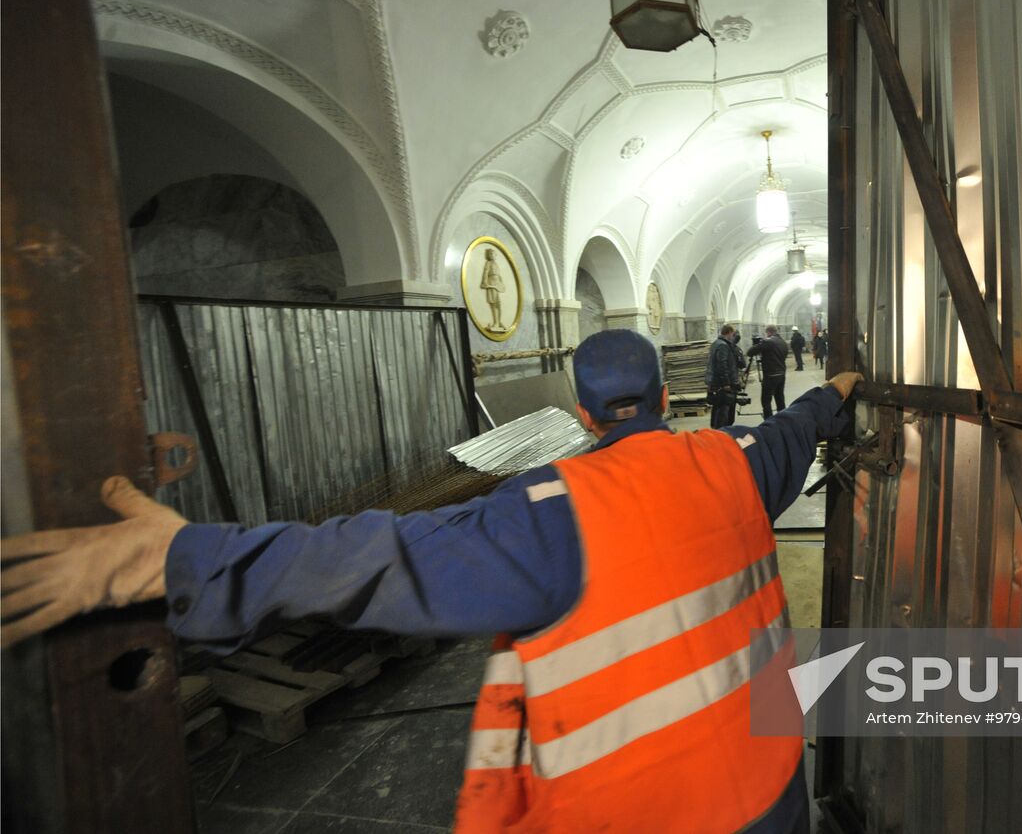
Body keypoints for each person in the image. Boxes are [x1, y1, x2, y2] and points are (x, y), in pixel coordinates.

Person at [0, 328, 863, 834]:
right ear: (666, 404)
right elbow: (795, 427)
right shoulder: (735, 462)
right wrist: (836, 390)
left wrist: (185, 558)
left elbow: (377, 557)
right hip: (773, 787)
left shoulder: (553, 511)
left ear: (583, 413)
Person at [746, 325, 790, 419]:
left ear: (769, 332)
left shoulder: (768, 342)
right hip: (781, 373)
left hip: (770, 374)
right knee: (780, 397)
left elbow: (750, 352)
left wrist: (759, 344)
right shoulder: (783, 342)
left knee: (766, 399)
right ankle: (783, 418)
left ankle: (769, 420)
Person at [704, 323, 742, 428]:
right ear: (729, 333)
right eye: (733, 334)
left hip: (716, 383)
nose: (734, 337)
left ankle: (717, 431)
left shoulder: (717, 343)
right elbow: (722, 365)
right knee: (724, 413)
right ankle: (722, 434)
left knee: (718, 410)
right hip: (722, 384)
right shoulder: (723, 345)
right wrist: (726, 383)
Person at [480, 246, 507, 331]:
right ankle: (496, 322)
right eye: (490, 254)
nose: (492, 255)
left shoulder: (496, 264)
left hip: (497, 283)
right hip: (491, 282)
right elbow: (485, 272)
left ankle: (499, 321)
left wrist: (501, 283)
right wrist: (484, 282)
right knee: (494, 304)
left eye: (493, 254)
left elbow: (499, 275)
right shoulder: (488, 263)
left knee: (498, 304)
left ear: (496, 255)